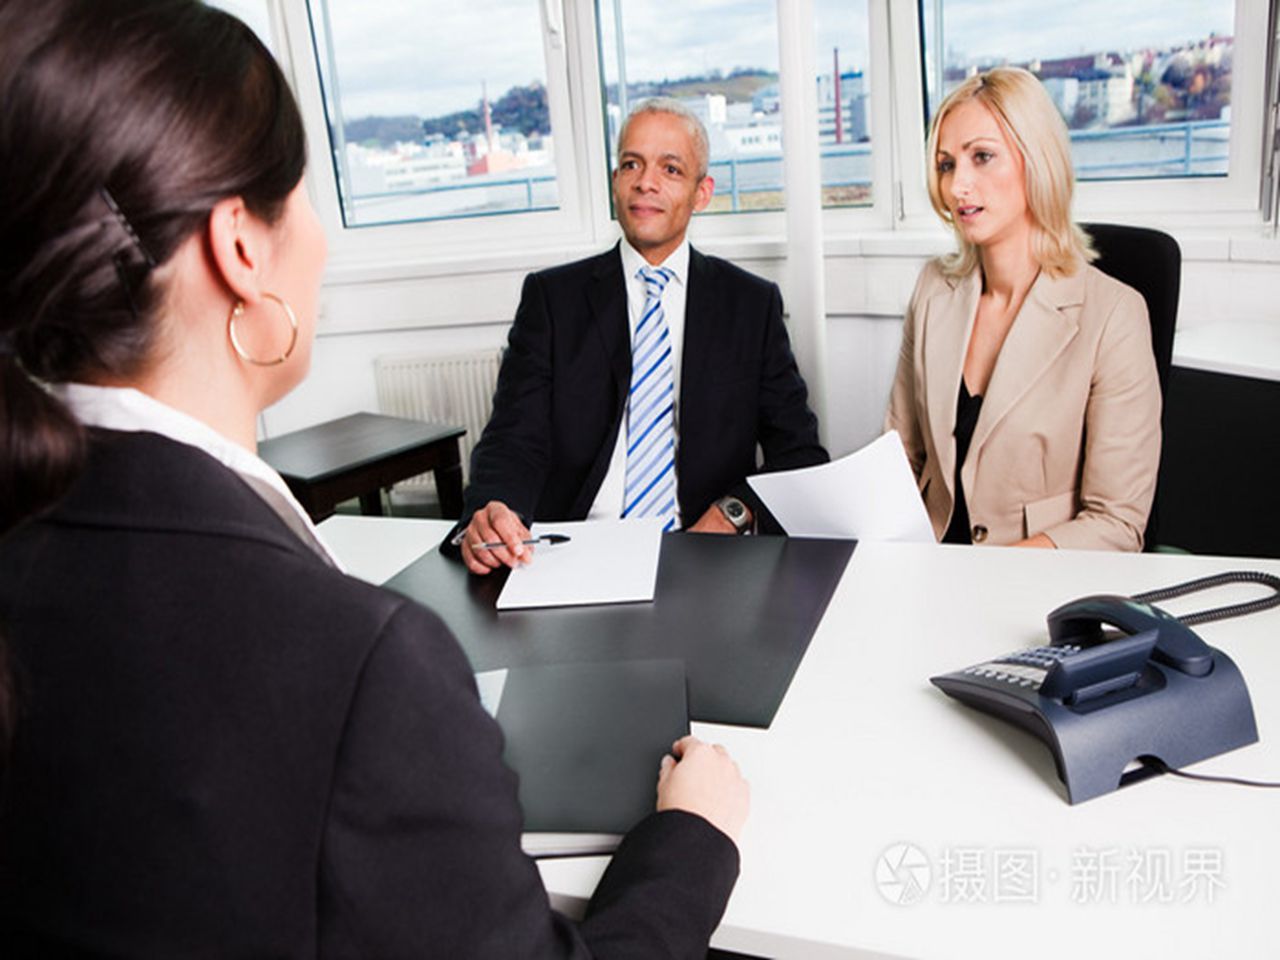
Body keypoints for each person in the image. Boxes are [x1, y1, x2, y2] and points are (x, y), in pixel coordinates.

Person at [0, 2, 749, 955]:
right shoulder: (368, 663)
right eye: (305, 196)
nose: (322, 239)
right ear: (241, 248)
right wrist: (695, 835)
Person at [453, 98, 828, 575]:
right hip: (573, 551)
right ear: (615, 182)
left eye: (670, 169)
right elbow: (512, 439)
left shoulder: (751, 305)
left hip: (705, 553)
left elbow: (799, 454)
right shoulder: (552, 299)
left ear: (702, 193)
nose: (645, 182)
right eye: (631, 164)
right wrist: (493, 510)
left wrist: (733, 513)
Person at [885, 67, 1161, 551]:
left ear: (1037, 161)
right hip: (928, 566)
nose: (957, 186)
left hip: (1035, 579)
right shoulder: (933, 289)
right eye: (947, 165)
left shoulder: (1115, 315)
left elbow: (1117, 523)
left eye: (982, 157)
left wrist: (983, 576)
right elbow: (900, 460)